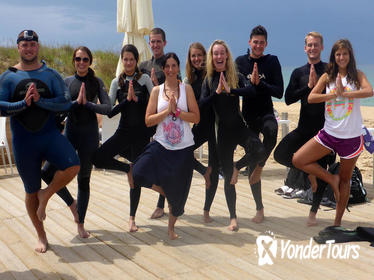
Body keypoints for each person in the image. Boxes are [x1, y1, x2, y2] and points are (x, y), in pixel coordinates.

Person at [0, 30, 80, 253]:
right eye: (24, 45)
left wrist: (40, 100)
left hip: (49, 136)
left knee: (73, 165)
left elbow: (65, 103)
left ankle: (47, 194)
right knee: (30, 191)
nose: (28, 48)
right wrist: (22, 104)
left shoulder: (51, 75)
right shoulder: (9, 77)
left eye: (32, 45)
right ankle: (42, 236)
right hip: (24, 142)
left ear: (38, 47)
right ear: (18, 47)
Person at [293, 39, 373, 227]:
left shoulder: (357, 75)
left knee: (345, 181)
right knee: (298, 159)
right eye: (338, 54)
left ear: (350, 56)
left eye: (345, 54)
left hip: (351, 138)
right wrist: (332, 95)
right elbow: (312, 97)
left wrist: (345, 94)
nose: (341, 57)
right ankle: (331, 178)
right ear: (334, 57)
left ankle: (337, 223)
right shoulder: (327, 76)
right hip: (329, 134)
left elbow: (369, 91)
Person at [41, 46, 111, 238]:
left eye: (85, 59)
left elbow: (108, 108)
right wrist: (74, 103)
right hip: (69, 135)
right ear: (74, 61)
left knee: (84, 180)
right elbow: (58, 106)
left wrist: (87, 103)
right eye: (78, 59)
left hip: (89, 137)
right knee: (46, 172)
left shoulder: (96, 82)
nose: (81, 63)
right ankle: (72, 204)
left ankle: (80, 223)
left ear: (90, 62)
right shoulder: (67, 82)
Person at [131, 52, 199, 239]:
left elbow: (196, 117)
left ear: (178, 68)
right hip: (161, 145)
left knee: (180, 193)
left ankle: (171, 229)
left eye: (173, 66)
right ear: (163, 69)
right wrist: (165, 113)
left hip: (184, 148)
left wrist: (177, 111)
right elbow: (148, 120)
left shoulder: (187, 90)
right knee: (137, 172)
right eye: (167, 66)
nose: (170, 69)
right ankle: (166, 192)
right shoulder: (156, 91)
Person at [200, 40, 265, 231]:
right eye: (215, 54)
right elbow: (202, 104)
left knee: (260, 150)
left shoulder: (234, 76)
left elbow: (251, 90)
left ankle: (239, 166)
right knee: (228, 177)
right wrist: (217, 93)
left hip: (239, 127)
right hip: (223, 134)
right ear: (212, 58)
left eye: (222, 53)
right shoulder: (209, 80)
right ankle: (233, 217)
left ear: (227, 56)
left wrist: (231, 90)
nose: (219, 57)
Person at [273, 32, 335, 226]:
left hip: (325, 130)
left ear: (322, 47)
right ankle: (310, 173)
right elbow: (288, 98)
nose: (312, 48)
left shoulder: (329, 70)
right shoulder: (298, 72)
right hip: (304, 128)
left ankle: (313, 213)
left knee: (323, 168)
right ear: (305, 48)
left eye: (316, 45)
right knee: (281, 154)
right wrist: (308, 87)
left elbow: (339, 95)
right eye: (309, 45)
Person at [92, 44, 154, 232]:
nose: (128, 62)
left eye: (131, 59)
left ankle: (132, 219)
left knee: (137, 178)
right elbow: (110, 111)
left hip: (141, 135)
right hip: (123, 132)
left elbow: (154, 104)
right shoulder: (116, 82)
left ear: (136, 61)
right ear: (122, 61)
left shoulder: (144, 80)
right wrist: (127, 101)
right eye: (125, 59)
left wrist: (139, 100)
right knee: (98, 158)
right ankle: (126, 168)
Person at [235, 25, 284, 223]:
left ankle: (256, 165)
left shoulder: (272, 61)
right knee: (253, 157)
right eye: (255, 42)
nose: (258, 45)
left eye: (261, 42)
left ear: (266, 44)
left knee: (272, 132)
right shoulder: (240, 62)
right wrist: (250, 85)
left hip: (265, 113)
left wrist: (260, 83)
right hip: (248, 117)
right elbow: (238, 88)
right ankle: (259, 209)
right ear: (249, 42)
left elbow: (279, 91)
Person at [184, 42, 219, 223]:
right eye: (193, 56)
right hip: (200, 126)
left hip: (215, 127)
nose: (197, 59)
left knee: (215, 168)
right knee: (182, 153)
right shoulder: (189, 81)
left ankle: (206, 210)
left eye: (199, 55)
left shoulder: (213, 75)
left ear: (205, 56)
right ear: (189, 59)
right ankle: (202, 170)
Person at [139, 27, 168, 219]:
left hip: (164, 121)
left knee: (161, 163)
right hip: (145, 121)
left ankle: (161, 204)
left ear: (164, 43)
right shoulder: (142, 66)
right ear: (149, 43)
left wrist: (157, 87)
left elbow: (175, 93)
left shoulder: (169, 64)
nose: (155, 44)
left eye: (159, 41)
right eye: (152, 41)